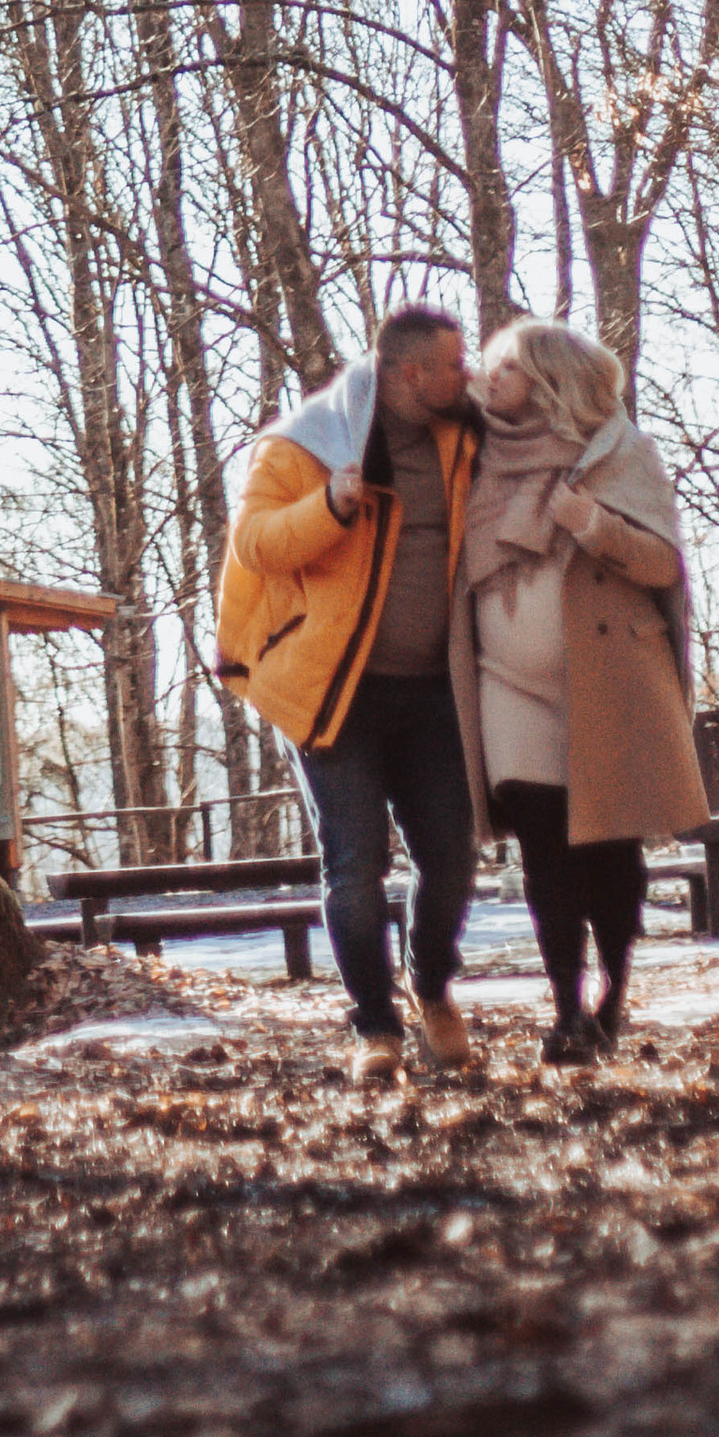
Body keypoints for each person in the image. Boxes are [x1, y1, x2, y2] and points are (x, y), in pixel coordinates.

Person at [215, 305, 483, 1088]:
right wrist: (330, 507)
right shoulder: (303, 444)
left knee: (453, 859)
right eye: (451, 364)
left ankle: (431, 986)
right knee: (354, 866)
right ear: (408, 375)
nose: (464, 375)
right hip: (335, 694)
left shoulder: (465, 440)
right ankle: (375, 1029)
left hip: (435, 691)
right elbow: (255, 544)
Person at [451, 316, 708, 1065]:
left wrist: (592, 523)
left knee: (610, 854)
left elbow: (662, 568)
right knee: (543, 848)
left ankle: (613, 997)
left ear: (551, 382)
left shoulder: (620, 454)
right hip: (506, 686)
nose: (490, 379)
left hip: (608, 682)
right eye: (491, 369)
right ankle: (566, 1010)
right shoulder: (474, 451)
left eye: (508, 369)